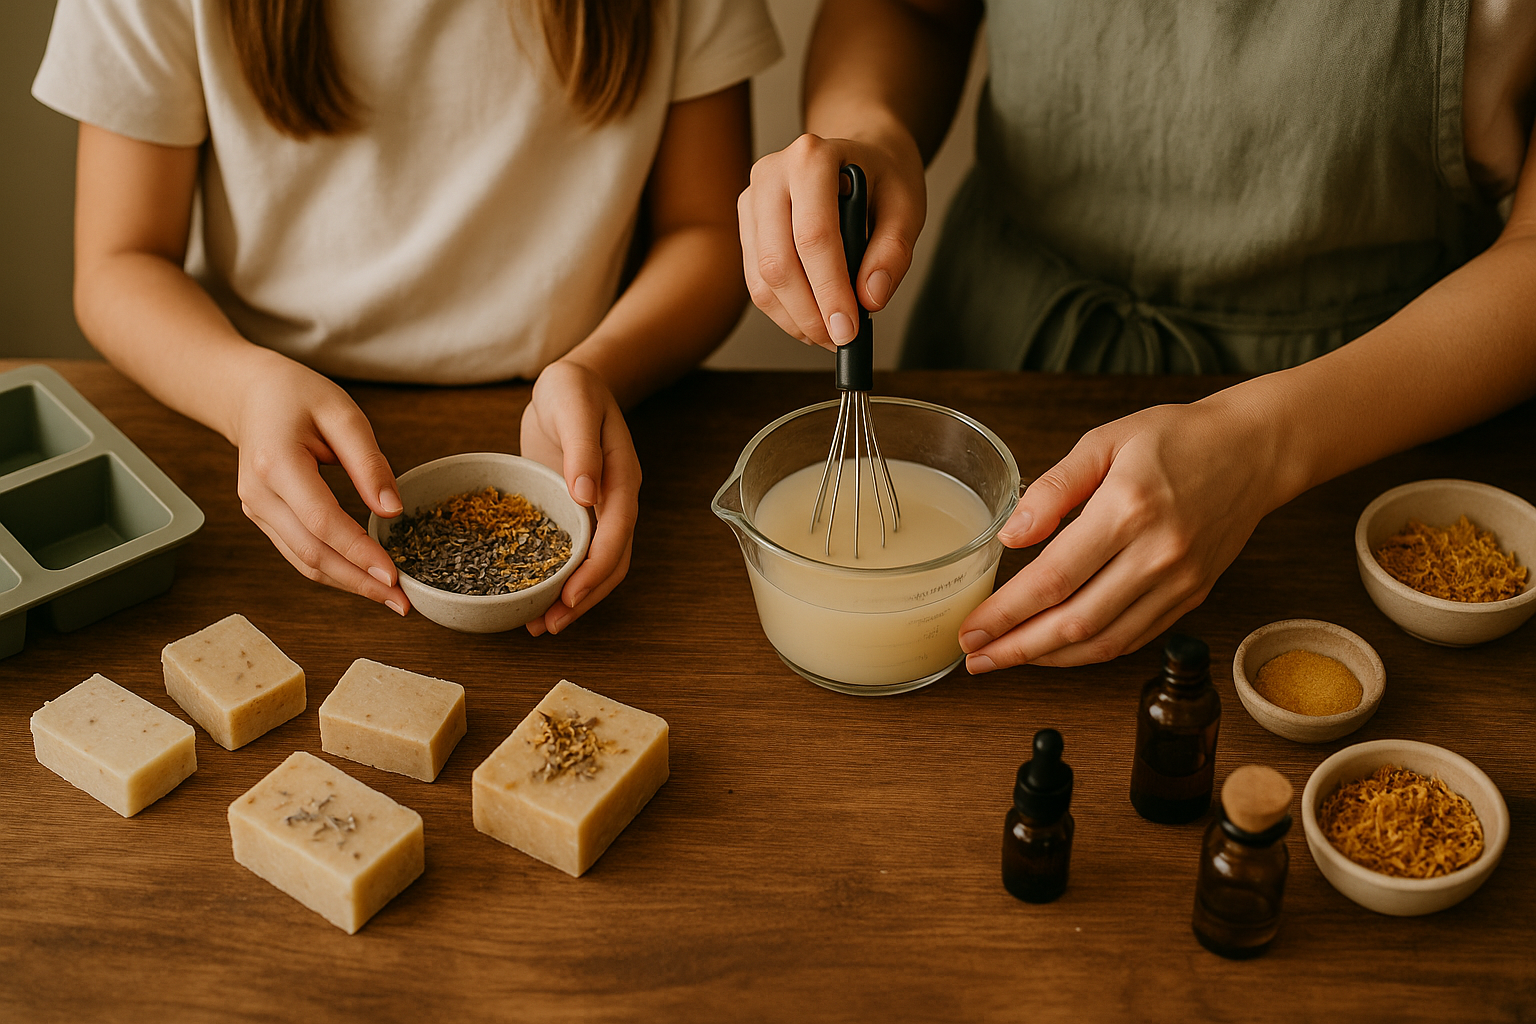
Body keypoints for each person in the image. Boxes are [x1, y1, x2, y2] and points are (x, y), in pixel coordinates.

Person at [738, 0, 1536, 671]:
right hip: (1002, 346)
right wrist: (871, 134)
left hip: (1370, 416)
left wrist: (1266, 445)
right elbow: (911, 9)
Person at [34, 0, 781, 635]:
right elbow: (118, 263)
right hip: (267, 447)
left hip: (568, 416)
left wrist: (600, 370)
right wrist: (242, 393)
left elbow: (707, 232)